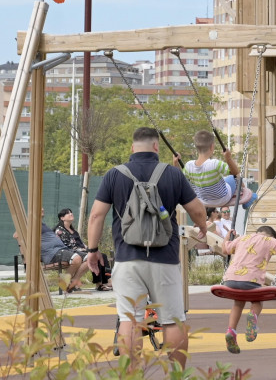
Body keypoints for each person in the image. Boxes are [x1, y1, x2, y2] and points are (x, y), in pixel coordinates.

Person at [86, 127, 208, 370]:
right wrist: (202, 226)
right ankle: (175, 375)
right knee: (173, 320)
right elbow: (197, 210)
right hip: (165, 258)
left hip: (127, 257)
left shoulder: (114, 175)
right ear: (156, 147)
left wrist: (93, 250)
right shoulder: (173, 174)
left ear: (132, 148)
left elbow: (96, 216)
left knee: (130, 319)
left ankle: (132, 375)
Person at [220, 221, 276, 354]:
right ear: (271, 236)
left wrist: (227, 236)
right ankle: (252, 317)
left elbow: (225, 249)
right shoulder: (269, 241)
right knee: (257, 301)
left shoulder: (242, 238)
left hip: (230, 280)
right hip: (251, 280)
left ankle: (231, 331)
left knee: (238, 303)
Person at [178, 130, 256, 209]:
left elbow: (179, 178)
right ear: (212, 147)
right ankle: (248, 199)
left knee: (221, 180)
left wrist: (175, 162)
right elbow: (235, 172)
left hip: (203, 200)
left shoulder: (188, 166)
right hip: (222, 199)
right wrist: (228, 159)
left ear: (196, 147)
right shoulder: (215, 164)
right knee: (233, 177)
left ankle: (239, 193)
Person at [54, 208, 111, 291]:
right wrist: (86, 251)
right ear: (62, 218)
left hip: (80, 251)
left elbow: (81, 243)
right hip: (69, 252)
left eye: (71, 212)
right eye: (68, 213)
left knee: (101, 255)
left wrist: (90, 249)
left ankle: (100, 283)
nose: (71, 214)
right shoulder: (59, 231)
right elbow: (67, 246)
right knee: (91, 257)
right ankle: (74, 281)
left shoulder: (74, 231)